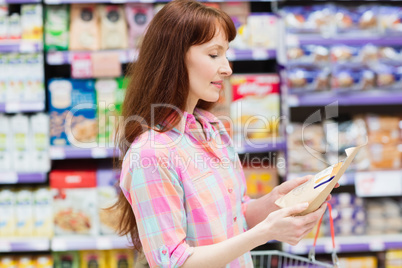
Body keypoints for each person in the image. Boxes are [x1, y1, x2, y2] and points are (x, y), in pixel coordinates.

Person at [111, 0, 331, 267]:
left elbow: (237, 213)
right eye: (214, 55)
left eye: (226, 54)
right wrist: (265, 234)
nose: (227, 69)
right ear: (174, 57)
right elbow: (173, 262)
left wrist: (278, 202)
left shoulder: (211, 128)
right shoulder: (151, 153)